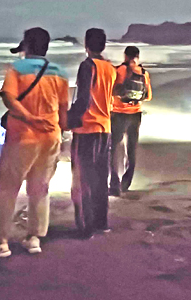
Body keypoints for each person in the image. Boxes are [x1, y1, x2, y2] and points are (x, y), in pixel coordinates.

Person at [0, 28, 69, 257]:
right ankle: (34, 238)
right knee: (40, 188)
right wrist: (61, 132)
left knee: (6, 188)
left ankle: (0, 242)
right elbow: (63, 108)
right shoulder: (60, 72)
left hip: (23, 136)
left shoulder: (16, 69)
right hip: (51, 135)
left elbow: (8, 96)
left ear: (26, 47)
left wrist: (29, 117)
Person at [68, 28, 116, 237]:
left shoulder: (87, 66)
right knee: (99, 177)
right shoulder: (110, 68)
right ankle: (101, 222)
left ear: (86, 45)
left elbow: (83, 98)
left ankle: (86, 227)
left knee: (82, 178)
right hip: (105, 128)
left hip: (87, 127)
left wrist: (68, 119)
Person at [109, 45, 152, 196]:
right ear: (138, 56)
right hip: (136, 114)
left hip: (119, 113)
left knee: (112, 149)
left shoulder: (120, 70)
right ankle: (126, 184)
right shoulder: (144, 72)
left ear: (125, 56)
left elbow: (112, 91)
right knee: (131, 150)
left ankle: (114, 184)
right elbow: (148, 96)